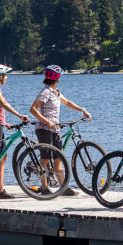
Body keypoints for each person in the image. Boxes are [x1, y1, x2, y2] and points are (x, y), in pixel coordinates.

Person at [29, 64, 90, 196]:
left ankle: (63, 188)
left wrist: (82, 110)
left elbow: (67, 103)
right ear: (57, 78)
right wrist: (47, 122)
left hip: (54, 129)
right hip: (44, 129)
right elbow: (33, 109)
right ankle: (44, 188)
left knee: (58, 158)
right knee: (45, 159)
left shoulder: (56, 92)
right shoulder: (45, 92)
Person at [0, 64, 30, 201]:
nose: (7, 78)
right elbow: (3, 104)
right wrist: (20, 115)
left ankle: (0, 189)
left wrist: (5, 123)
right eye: (5, 75)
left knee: (2, 157)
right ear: (0, 77)